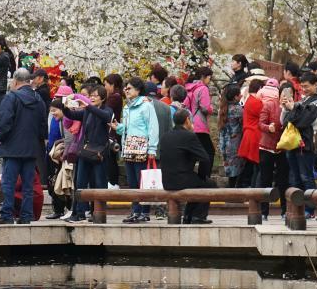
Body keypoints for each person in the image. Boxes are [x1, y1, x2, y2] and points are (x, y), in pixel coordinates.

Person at [0, 68, 46, 224]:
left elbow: (3, 122)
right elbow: (43, 127)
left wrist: (0, 138)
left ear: (15, 81)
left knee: (8, 183)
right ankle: (26, 216)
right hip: (31, 150)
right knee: (28, 185)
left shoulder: (11, 98)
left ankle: (6, 215)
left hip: (13, 149)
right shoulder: (38, 99)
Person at [113, 77, 159, 223]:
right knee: (132, 181)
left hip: (142, 148)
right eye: (125, 88)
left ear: (138, 90)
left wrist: (152, 148)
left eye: (130, 88)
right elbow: (127, 129)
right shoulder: (127, 107)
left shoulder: (146, 105)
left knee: (142, 181)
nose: (126, 91)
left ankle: (144, 211)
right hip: (128, 148)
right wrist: (119, 128)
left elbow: (153, 127)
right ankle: (135, 211)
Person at [282, 72, 317, 220]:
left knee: (306, 177)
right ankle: (297, 208)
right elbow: (285, 121)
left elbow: (306, 121)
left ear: (316, 85)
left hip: (306, 145)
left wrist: (293, 110)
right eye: (302, 87)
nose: (304, 89)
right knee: (294, 178)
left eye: (307, 86)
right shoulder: (301, 101)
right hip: (293, 143)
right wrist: (288, 108)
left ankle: (310, 209)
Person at [66, 84, 112, 222]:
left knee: (99, 183)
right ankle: (78, 213)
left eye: (95, 96)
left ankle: (98, 212)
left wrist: (88, 107)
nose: (92, 98)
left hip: (99, 154)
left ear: (103, 98)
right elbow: (72, 114)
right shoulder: (87, 112)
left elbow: (106, 117)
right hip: (85, 152)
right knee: (80, 182)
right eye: (90, 96)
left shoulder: (107, 110)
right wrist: (64, 106)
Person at [160, 108, 213, 223]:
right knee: (208, 184)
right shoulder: (189, 136)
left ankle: (189, 216)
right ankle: (198, 216)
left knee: (197, 183)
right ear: (187, 120)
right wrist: (202, 176)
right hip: (182, 180)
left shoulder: (165, 136)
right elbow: (205, 159)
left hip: (166, 181)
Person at [257, 80, 289, 220]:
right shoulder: (270, 104)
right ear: (279, 94)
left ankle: (284, 210)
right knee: (266, 179)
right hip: (267, 146)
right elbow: (260, 123)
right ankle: (264, 211)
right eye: (284, 94)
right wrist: (268, 127)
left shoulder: (294, 107)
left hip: (283, 147)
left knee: (283, 180)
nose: (286, 97)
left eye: (290, 94)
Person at [184, 66, 215, 182]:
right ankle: (203, 179)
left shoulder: (190, 88)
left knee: (193, 154)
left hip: (190, 124)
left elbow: (185, 105)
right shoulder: (203, 88)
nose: (209, 81)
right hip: (200, 125)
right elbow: (205, 107)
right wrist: (211, 109)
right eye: (209, 78)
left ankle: (188, 178)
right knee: (209, 153)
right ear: (204, 77)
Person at [237, 79, 265, 187]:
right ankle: (253, 191)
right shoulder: (257, 102)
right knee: (257, 167)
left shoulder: (249, 100)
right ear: (259, 89)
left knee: (250, 166)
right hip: (255, 135)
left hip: (249, 134)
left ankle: (243, 188)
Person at [219, 84, 245, 187]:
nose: (241, 95)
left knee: (230, 172)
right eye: (239, 94)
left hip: (224, 143)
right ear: (235, 97)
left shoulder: (223, 108)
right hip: (235, 144)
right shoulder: (237, 109)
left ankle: (230, 195)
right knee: (237, 171)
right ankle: (235, 195)